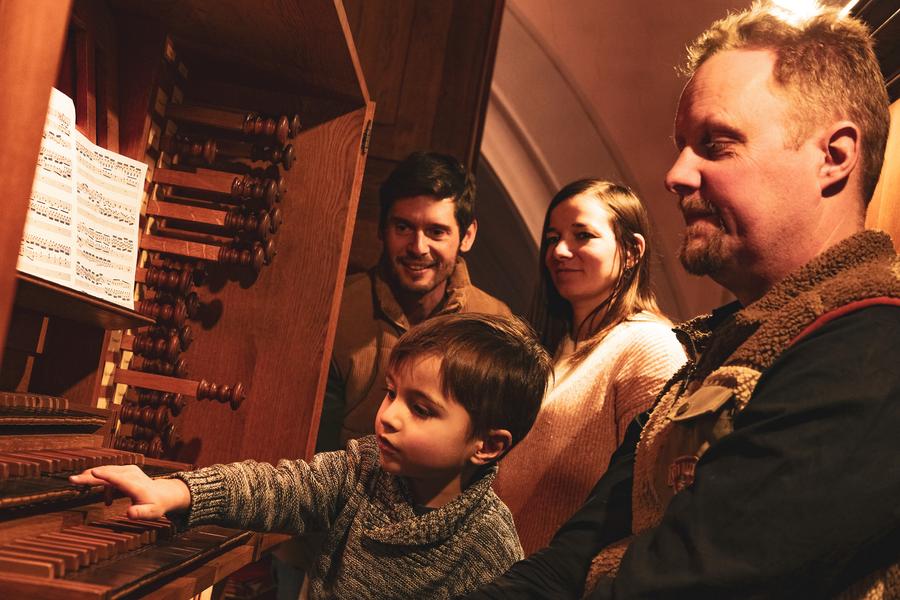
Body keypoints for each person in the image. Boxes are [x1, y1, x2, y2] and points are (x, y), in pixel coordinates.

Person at [465, 2, 899, 598]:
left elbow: (685, 581)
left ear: (834, 156)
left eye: (715, 145)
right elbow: (577, 549)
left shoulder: (875, 347)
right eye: (681, 145)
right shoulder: (713, 348)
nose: (675, 173)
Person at [72, 313, 552, 600]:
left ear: (486, 446)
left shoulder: (489, 547)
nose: (388, 417)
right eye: (391, 393)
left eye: (422, 409)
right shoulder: (365, 468)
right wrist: (177, 490)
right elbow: (284, 485)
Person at [492, 180, 685, 554]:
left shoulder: (650, 346)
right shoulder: (554, 345)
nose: (560, 251)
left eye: (583, 235)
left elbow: (652, 502)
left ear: (631, 251)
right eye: (552, 238)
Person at [317, 151, 511, 451]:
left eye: (436, 232)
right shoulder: (338, 307)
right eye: (403, 228)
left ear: (467, 235)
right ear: (382, 229)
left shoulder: (495, 322)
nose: (418, 248)